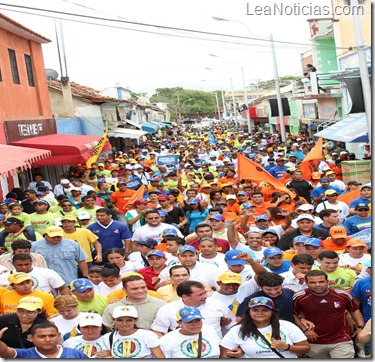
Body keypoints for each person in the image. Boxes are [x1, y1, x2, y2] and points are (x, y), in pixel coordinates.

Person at [293, 270, 364, 358]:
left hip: (341, 340)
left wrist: (360, 327)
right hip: (314, 342)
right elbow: (293, 314)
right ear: (306, 283)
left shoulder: (342, 295)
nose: (317, 285)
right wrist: (305, 330)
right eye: (313, 282)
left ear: (327, 282)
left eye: (321, 281)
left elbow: (354, 310)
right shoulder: (299, 297)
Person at [220, 296, 310, 358]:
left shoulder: (286, 325)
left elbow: (306, 348)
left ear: (272, 312)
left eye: (265, 310)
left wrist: (287, 347)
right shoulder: (236, 330)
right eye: (255, 310)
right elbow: (224, 354)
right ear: (249, 312)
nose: (260, 313)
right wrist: (240, 351)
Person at [151, 280, 233, 338]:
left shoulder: (218, 305)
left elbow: (233, 326)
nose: (205, 296)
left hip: (214, 350)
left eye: (205, 293)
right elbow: (158, 331)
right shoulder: (168, 309)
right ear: (185, 296)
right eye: (200, 294)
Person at [102, 274, 166, 330]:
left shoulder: (161, 305)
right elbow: (107, 329)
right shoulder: (112, 307)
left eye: (143, 287)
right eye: (134, 289)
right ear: (124, 290)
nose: (140, 291)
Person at [0, 322, 87, 358]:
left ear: (59, 335)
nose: (47, 340)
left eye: (52, 336)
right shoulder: (24, 355)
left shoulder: (76, 354)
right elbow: (4, 351)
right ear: (31, 338)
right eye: (42, 337)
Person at [0, 253, 69, 295]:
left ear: (31, 262)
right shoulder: (4, 277)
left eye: (27, 264)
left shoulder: (47, 273)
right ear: (13, 264)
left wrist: (65, 303)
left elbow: (63, 288)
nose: (24, 267)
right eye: (19, 265)